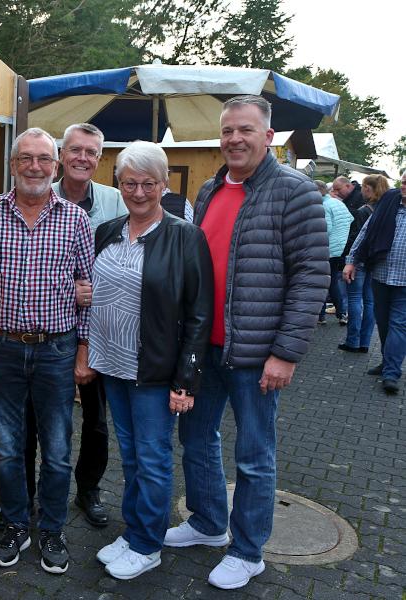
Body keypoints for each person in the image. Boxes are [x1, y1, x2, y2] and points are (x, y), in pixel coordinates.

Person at [167, 95, 329, 590]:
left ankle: (247, 549)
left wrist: (285, 352)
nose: (235, 139)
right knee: (195, 439)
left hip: (256, 354)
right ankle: (208, 523)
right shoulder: (211, 189)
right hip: (204, 347)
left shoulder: (295, 191)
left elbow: (310, 277)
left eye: (246, 130)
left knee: (254, 455)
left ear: (269, 137)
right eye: (228, 131)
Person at [0, 127, 94, 575]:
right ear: (13, 164)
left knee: (56, 450)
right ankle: (17, 524)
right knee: (6, 448)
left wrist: (82, 353)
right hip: (2, 350)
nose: (34, 166)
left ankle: (52, 530)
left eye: (43, 159)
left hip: (56, 351)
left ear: (55, 167)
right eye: (26, 158)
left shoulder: (75, 220)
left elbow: (88, 293)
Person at [88, 141, 213, 580]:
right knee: (133, 456)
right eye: (129, 183)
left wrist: (186, 380)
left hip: (155, 372)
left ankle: (147, 544)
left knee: (154, 457)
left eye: (147, 183)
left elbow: (200, 313)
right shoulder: (108, 230)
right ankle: (136, 530)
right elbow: (92, 286)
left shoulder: (184, 236)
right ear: (118, 184)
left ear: (164, 184)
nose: (138, 192)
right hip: (113, 365)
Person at [50, 122, 127, 527]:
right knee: (46, 416)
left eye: (91, 153)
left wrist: (99, 290)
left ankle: (88, 489)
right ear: (62, 154)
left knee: (96, 420)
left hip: (101, 331)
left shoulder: (117, 201)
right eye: (76, 150)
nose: (83, 158)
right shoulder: (41, 196)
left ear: (100, 159)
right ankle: (44, 491)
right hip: (53, 329)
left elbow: (135, 257)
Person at [343, 171, 406, 394]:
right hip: (381, 274)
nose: (405, 185)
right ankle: (387, 362)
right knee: (385, 322)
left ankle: (391, 373)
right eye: (404, 181)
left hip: (404, 281)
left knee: (399, 324)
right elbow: (367, 232)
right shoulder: (389, 202)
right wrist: (352, 261)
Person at [339, 175, 387, 353]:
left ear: (368, 189)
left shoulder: (362, 211)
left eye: (364, 187)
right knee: (370, 301)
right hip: (376, 262)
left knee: (354, 298)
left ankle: (352, 341)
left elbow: (356, 239)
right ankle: (365, 342)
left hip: (359, 261)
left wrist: (349, 260)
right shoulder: (386, 210)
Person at [317, 180, 353, 325]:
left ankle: (321, 316)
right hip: (339, 249)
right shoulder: (338, 203)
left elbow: (326, 229)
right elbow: (350, 219)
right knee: (332, 282)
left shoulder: (324, 206)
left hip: (327, 249)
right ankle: (341, 313)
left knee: (321, 282)